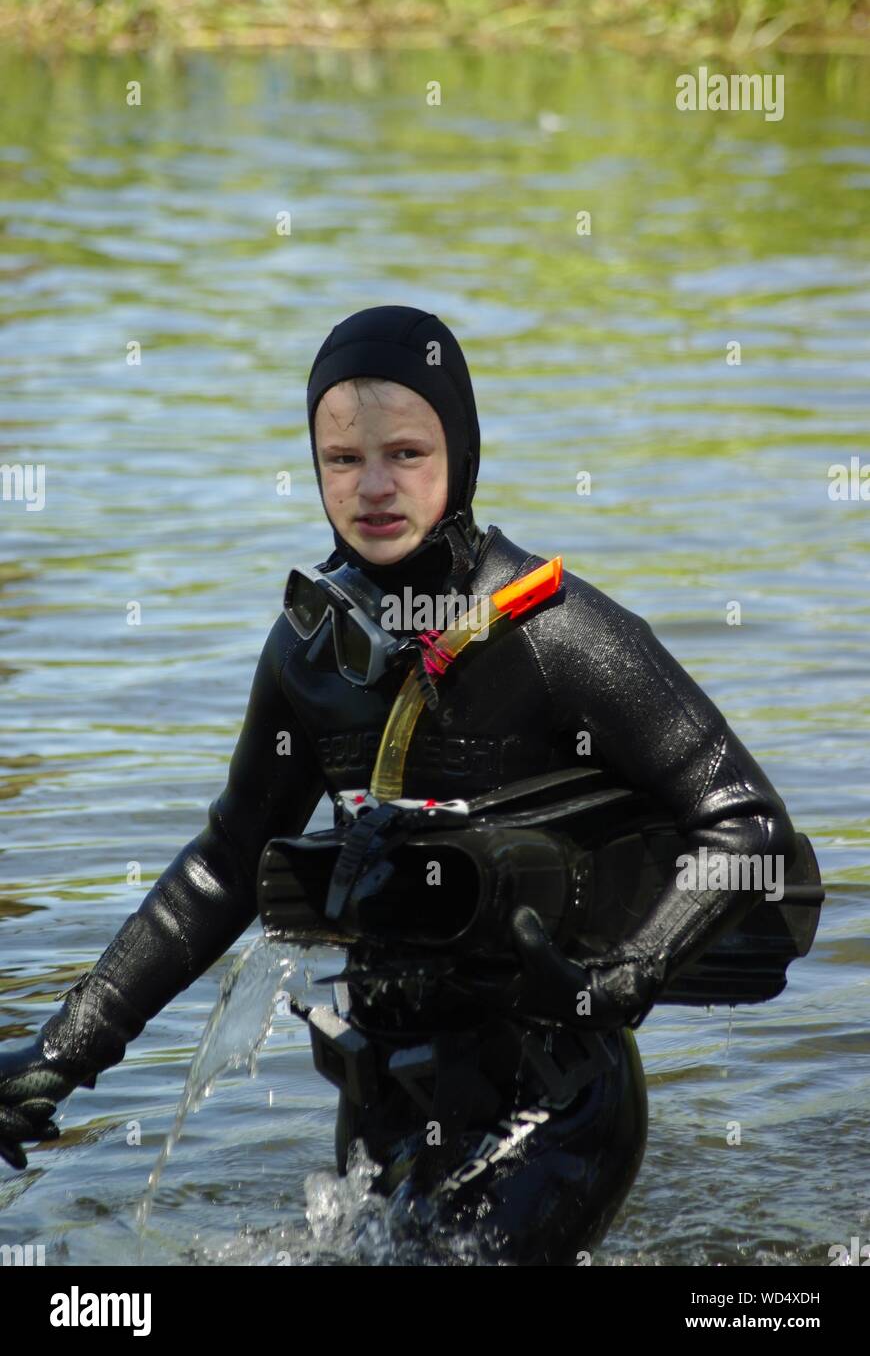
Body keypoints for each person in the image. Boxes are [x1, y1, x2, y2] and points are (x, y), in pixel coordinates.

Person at [0, 305, 797, 1267]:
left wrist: (628, 977)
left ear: (459, 454)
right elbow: (225, 867)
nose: (374, 488)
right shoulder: (308, 651)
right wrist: (62, 1054)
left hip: (555, 1099)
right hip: (380, 1093)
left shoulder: (555, 631)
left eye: (407, 453)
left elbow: (745, 826)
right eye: (343, 460)